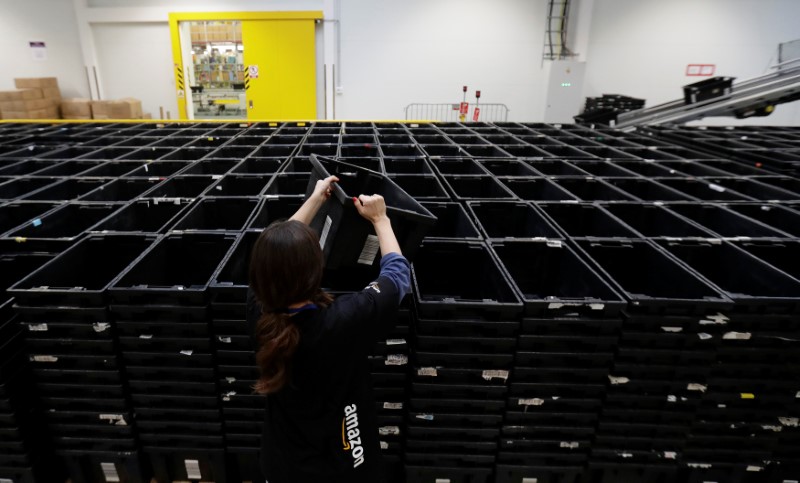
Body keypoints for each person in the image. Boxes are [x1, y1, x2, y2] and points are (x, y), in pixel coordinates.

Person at [246, 175, 411, 483]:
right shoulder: (343, 320)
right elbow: (397, 278)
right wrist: (381, 219)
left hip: (282, 464)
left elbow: (272, 255)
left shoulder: (259, 311)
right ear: (314, 271)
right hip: (342, 466)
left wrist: (315, 199)